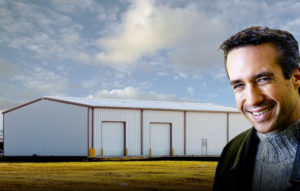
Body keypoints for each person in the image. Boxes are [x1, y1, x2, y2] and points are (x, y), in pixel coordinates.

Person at [213, 26, 300, 191]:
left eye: (263, 79)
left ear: (296, 77)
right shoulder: (232, 152)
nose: (253, 100)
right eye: (239, 85)